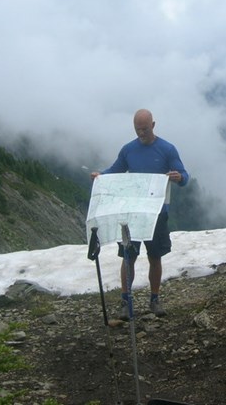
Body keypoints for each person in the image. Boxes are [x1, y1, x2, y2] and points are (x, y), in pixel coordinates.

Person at [90, 109, 189, 319]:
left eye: (144, 129)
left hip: (157, 213)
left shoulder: (167, 149)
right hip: (132, 213)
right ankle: (126, 301)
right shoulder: (128, 150)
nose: (141, 134)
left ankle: (155, 299)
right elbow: (115, 170)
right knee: (128, 256)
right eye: (137, 130)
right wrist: (101, 176)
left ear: (153, 125)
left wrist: (179, 177)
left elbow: (185, 176)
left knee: (155, 257)